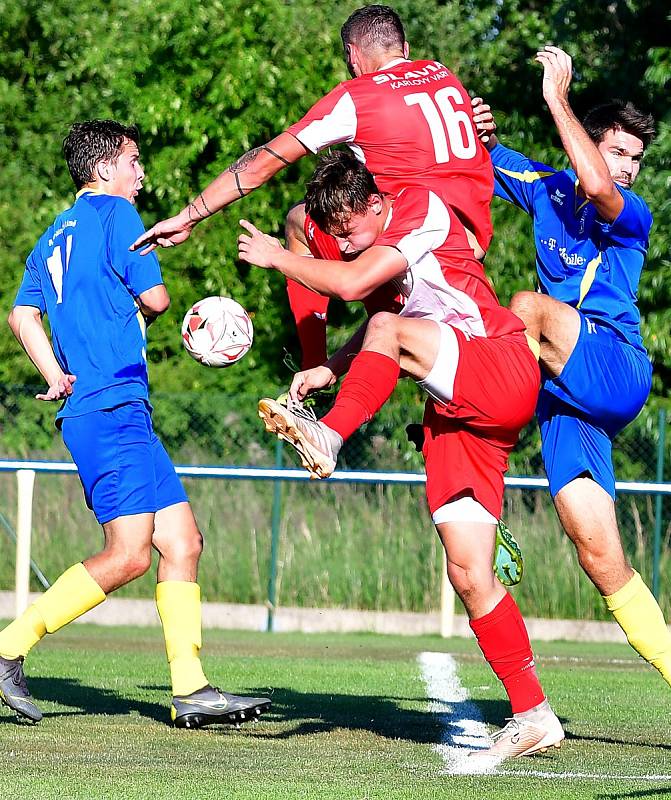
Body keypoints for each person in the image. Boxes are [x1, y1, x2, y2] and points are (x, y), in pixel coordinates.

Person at [238, 149, 564, 760]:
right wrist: (331, 367)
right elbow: (383, 319)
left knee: (386, 333)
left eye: (351, 231)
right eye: (337, 238)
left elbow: (358, 290)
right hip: (457, 408)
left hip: (498, 363)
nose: (348, 245)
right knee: (468, 571)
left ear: (373, 203)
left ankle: (330, 437)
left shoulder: (420, 210)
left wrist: (279, 256)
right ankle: (533, 712)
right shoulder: (379, 246)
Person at [0, 120, 270, 728]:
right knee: (128, 555)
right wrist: (153, 266)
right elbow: (157, 302)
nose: (141, 173)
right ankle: (8, 647)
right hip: (111, 409)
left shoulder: (51, 237)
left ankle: (191, 688)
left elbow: (22, 316)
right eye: (133, 161)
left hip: (113, 410)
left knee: (182, 543)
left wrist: (55, 374)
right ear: (103, 170)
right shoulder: (119, 218)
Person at [482, 46, 671, 686]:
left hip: (615, 366)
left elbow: (593, 184)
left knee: (526, 309)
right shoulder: (544, 187)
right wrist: (473, 125)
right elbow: (472, 157)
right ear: (584, 144)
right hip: (565, 398)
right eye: (615, 152)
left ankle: (477, 425)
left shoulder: (631, 215)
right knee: (599, 555)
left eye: (633, 158)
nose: (625, 168)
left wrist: (555, 98)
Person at [131, 4, 493, 262]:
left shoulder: (357, 97)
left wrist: (189, 216)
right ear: (406, 50)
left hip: (425, 242)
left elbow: (261, 165)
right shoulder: (442, 73)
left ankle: (312, 362)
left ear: (352, 55)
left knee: (297, 222)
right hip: (475, 235)